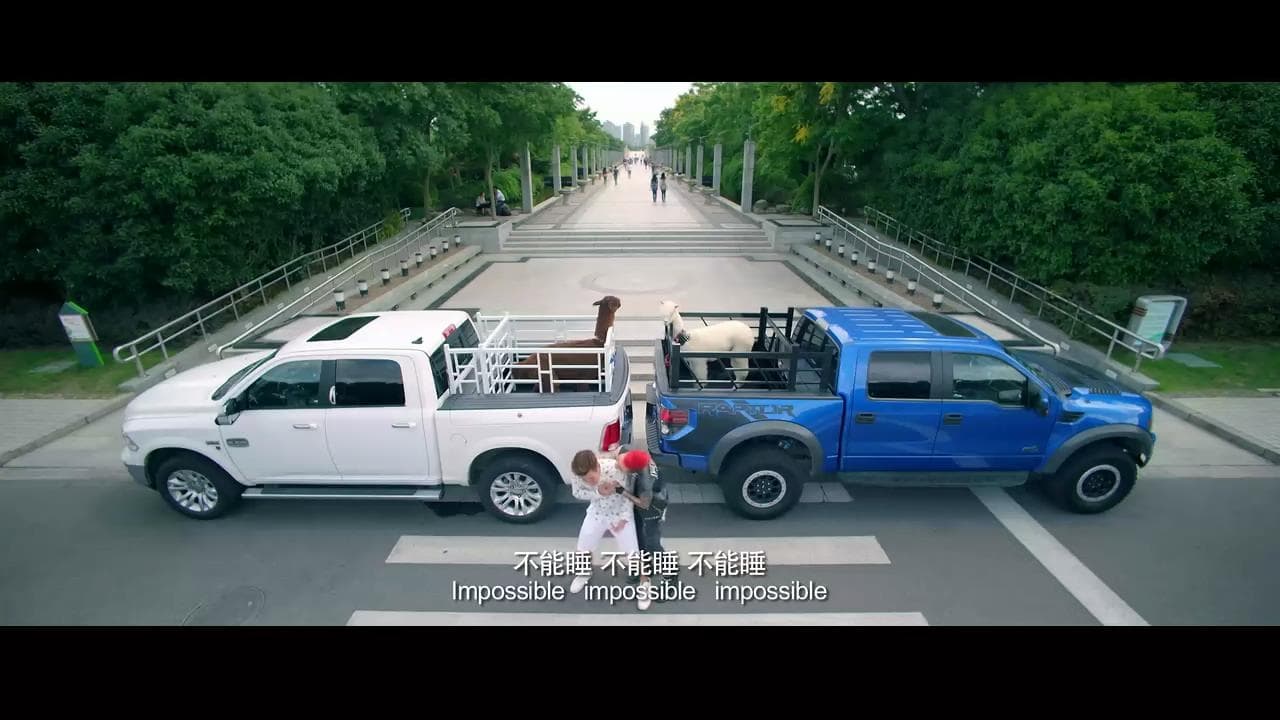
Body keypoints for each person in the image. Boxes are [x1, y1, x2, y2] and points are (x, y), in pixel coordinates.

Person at [568, 448, 653, 610]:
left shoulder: (614, 469)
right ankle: (584, 573)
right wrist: (598, 492)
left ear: (597, 466)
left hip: (619, 515)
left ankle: (645, 583)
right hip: (597, 513)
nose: (588, 482)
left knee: (633, 553)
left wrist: (624, 518)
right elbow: (577, 493)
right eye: (585, 479)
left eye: (591, 478)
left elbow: (628, 495)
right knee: (583, 548)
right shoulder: (578, 475)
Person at [615, 447, 675, 596]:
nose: (617, 465)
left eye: (621, 466)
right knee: (639, 539)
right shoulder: (637, 454)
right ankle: (646, 567)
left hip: (652, 509)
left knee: (652, 544)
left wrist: (622, 491)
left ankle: (671, 576)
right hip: (641, 504)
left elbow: (644, 504)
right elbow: (619, 452)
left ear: (633, 469)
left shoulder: (645, 482)